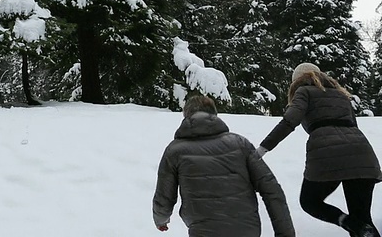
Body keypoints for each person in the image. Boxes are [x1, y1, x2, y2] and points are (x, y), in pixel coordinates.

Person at [257, 63, 382, 237]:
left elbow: (289, 121)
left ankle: (346, 221)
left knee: (309, 201)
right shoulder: (341, 94)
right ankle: (357, 226)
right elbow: (354, 124)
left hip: (327, 155)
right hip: (362, 154)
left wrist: (262, 149)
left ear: (297, 80)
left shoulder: (304, 91)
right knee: (362, 219)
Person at [152, 95, 295, 237]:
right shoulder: (240, 144)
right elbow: (271, 189)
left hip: (203, 230)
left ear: (186, 116)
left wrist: (161, 219)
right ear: (214, 115)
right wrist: (285, 233)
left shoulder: (174, 151)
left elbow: (164, 195)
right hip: (246, 229)